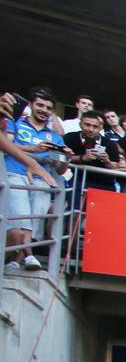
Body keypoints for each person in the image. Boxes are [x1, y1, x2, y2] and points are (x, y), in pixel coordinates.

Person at [4, 89, 66, 271]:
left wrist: (65, 158)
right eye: (40, 105)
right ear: (30, 105)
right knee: (21, 215)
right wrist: (34, 149)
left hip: (42, 180)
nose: (43, 110)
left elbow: (61, 169)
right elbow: (7, 144)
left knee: (34, 221)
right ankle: (29, 255)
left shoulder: (55, 137)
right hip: (15, 174)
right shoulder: (14, 123)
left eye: (48, 108)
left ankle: (16, 259)